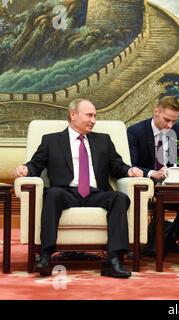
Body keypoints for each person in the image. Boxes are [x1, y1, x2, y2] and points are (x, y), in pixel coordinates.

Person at [14, 98, 143, 278]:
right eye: (89, 115)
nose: (93, 120)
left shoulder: (103, 140)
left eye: (95, 116)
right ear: (73, 115)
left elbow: (117, 165)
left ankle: (113, 261)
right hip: (66, 192)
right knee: (52, 194)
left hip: (95, 193)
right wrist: (26, 169)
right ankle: (45, 256)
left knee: (119, 198)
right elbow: (36, 164)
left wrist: (130, 170)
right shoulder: (51, 140)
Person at [127, 96, 179, 256]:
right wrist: (152, 173)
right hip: (148, 185)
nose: (170, 125)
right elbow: (131, 165)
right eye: (167, 120)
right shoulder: (135, 132)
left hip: (173, 184)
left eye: (174, 121)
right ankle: (161, 240)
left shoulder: (177, 132)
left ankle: (169, 238)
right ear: (156, 111)